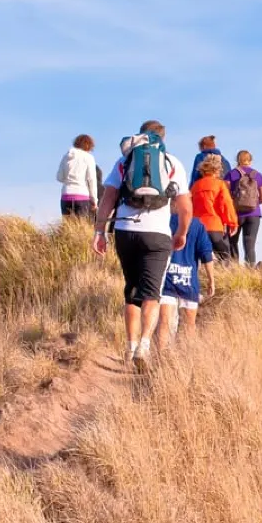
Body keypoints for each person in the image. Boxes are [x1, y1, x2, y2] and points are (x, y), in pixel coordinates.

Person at [93, 120, 192, 372]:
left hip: (125, 231)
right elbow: (185, 206)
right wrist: (181, 233)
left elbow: (109, 198)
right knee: (151, 293)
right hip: (157, 234)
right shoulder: (172, 162)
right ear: (163, 137)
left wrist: (99, 231)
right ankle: (144, 347)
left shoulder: (125, 160)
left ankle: (129, 347)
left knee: (131, 291)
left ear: (140, 135)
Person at [158, 212, 216, 344]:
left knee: (164, 323)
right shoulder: (197, 225)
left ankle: (159, 361)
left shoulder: (163, 219)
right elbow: (206, 254)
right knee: (189, 326)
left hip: (166, 279)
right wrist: (211, 280)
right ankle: (185, 360)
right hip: (189, 281)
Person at [190, 154, 238, 261]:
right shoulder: (219, 184)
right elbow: (227, 204)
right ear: (217, 170)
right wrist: (233, 222)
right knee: (224, 257)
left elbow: (189, 206)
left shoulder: (195, 186)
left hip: (197, 226)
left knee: (198, 259)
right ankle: (222, 277)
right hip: (214, 226)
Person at [224, 150, 262, 265]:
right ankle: (250, 271)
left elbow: (225, 196)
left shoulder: (230, 174)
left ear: (237, 160)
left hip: (235, 214)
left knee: (232, 242)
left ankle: (233, 271)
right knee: (250, 244)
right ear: (250, 160)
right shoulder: (258, 175)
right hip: (254, 214)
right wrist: (252, 204)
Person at [56, 134, 98, 218]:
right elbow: (91, 180)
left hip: (66, 196)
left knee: (67, 227)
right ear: (89, 145)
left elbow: (59, 177)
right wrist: (94, 200)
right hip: (81, 196)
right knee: (81, 228)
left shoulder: (66, 156)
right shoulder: (88, 157)